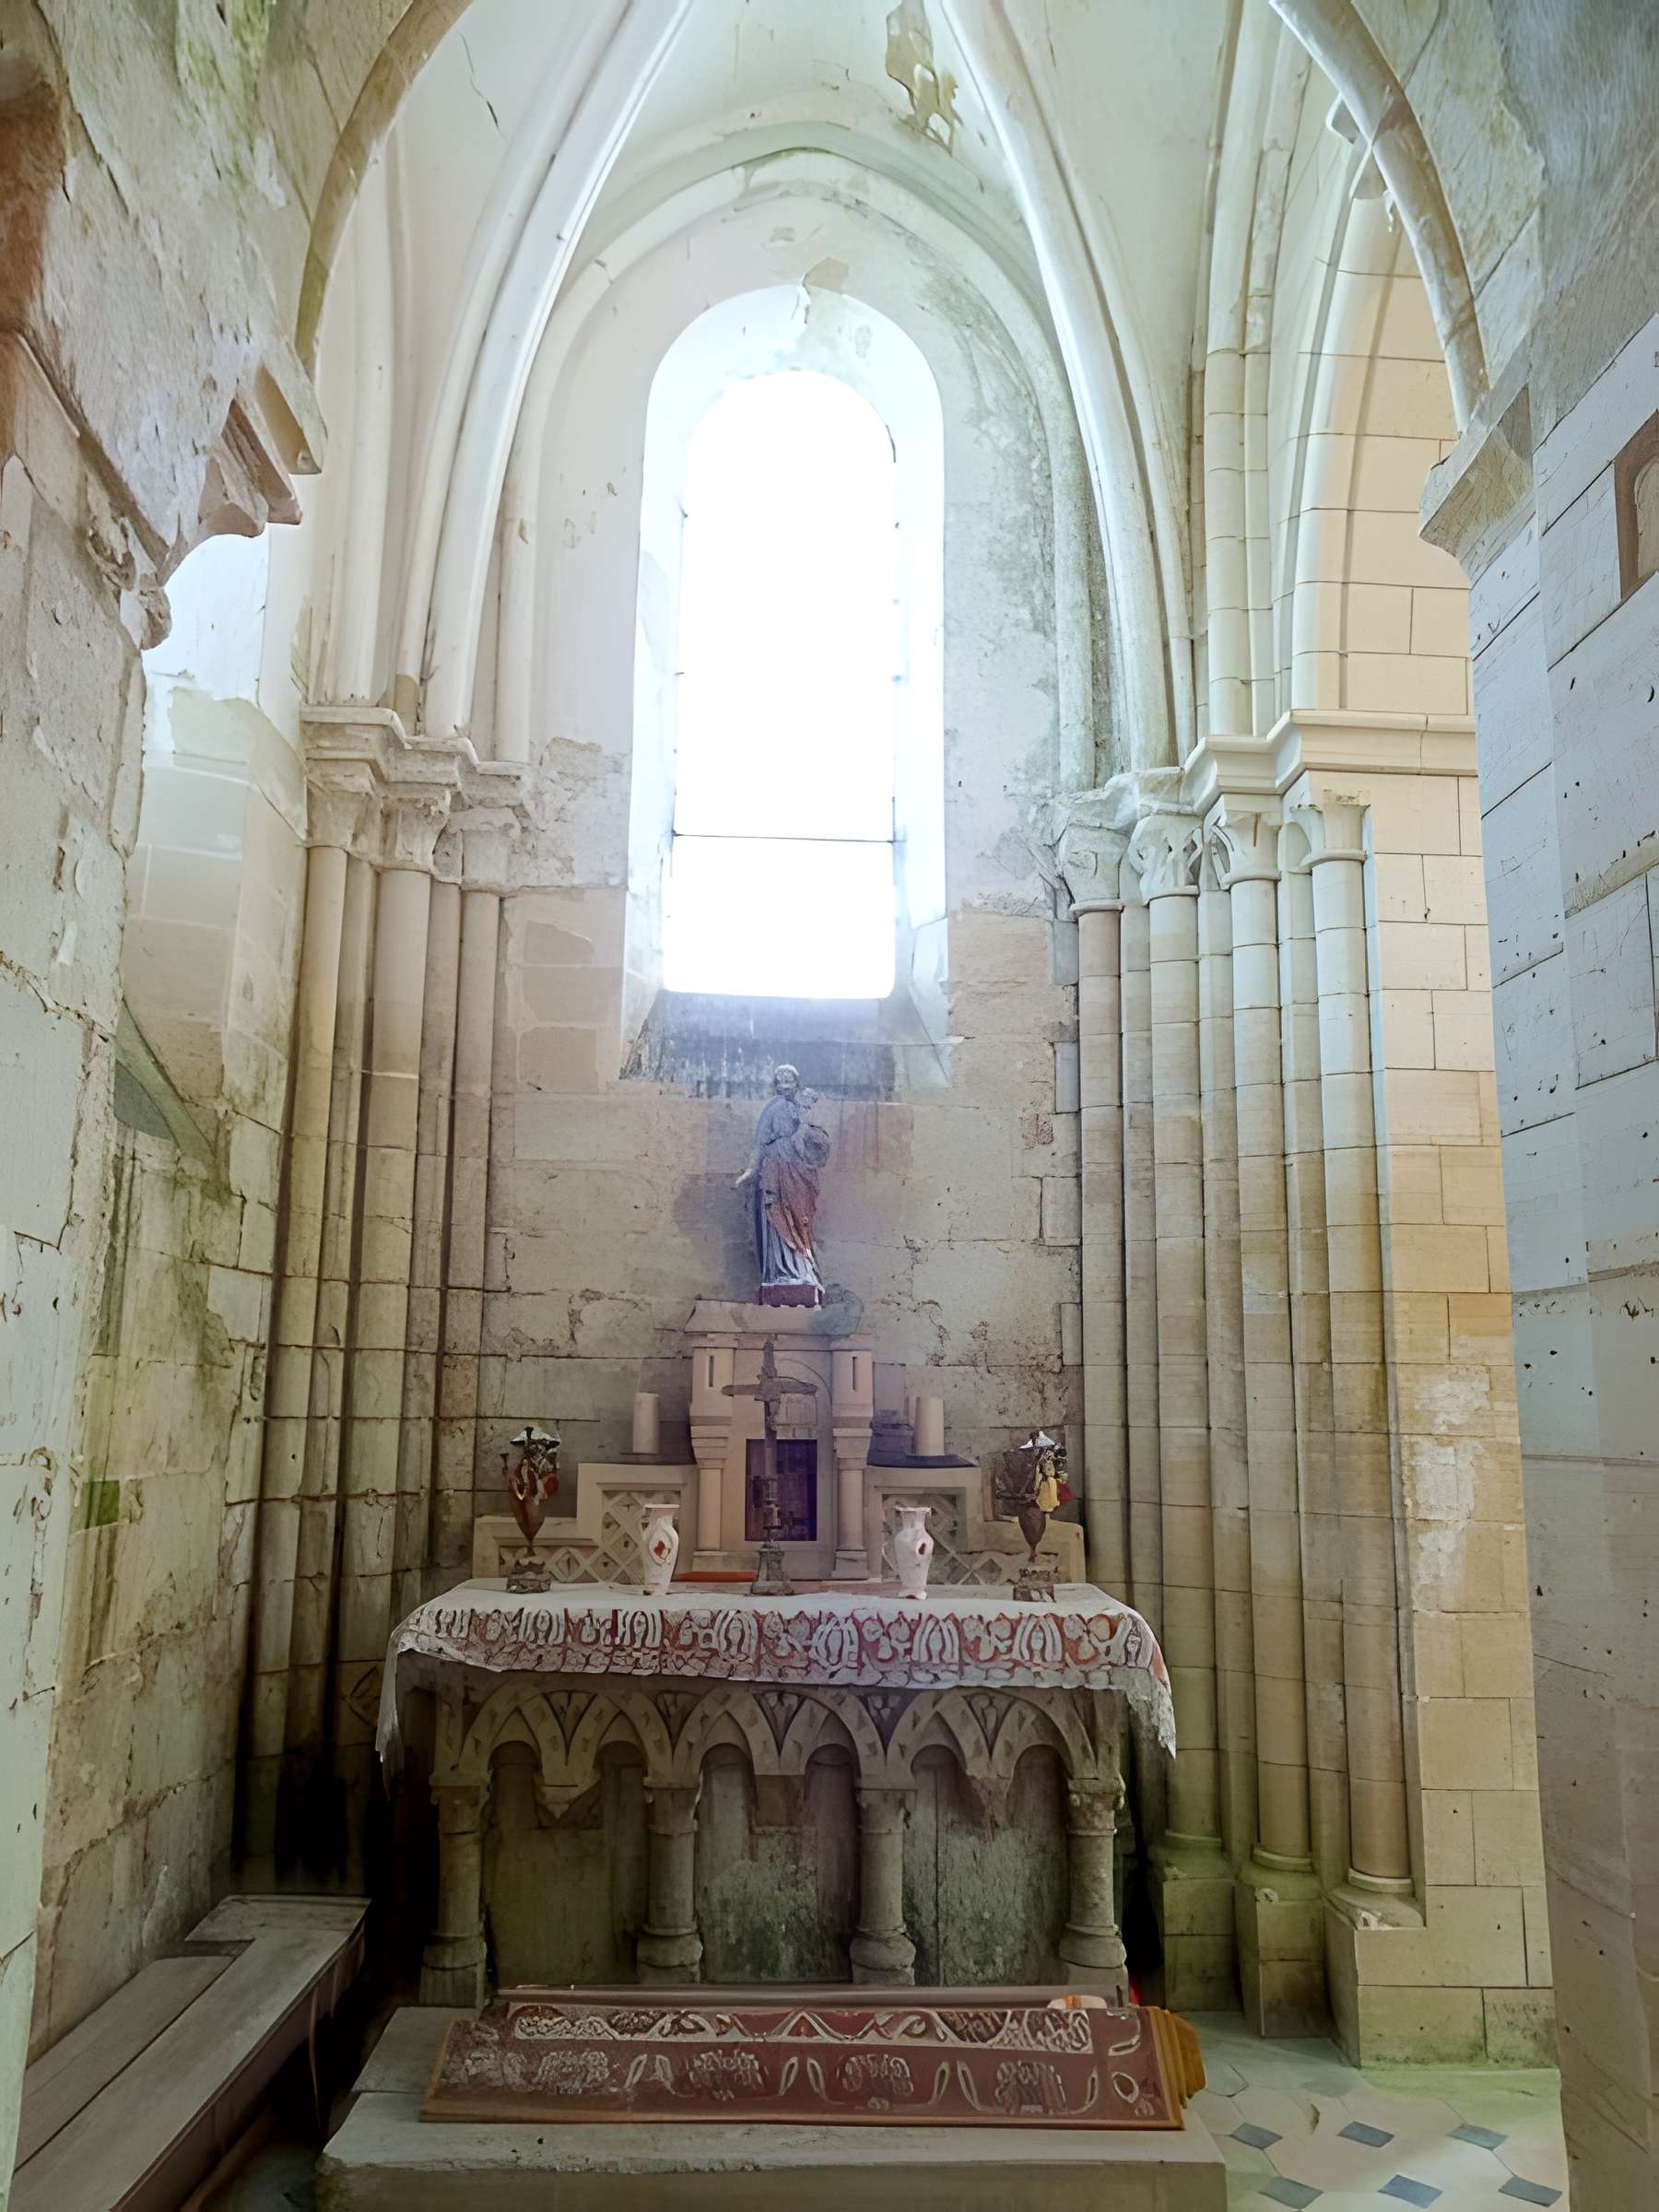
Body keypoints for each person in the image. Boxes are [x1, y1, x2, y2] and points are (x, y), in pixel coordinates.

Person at [735, 1064, 830, 1306]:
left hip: (800, 1172)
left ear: (797, 1082)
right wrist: (750, 1170)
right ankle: (782, 1271)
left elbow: (819, 1143)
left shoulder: (804, 1108)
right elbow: (759, 1142)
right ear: (775, 1084)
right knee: (777, 1216)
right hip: (775, 1169)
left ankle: (803, 1270)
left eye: (789, 1078)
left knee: (802, 1220)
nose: (785, 1082)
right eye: (780, 1079)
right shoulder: (772, 1108)